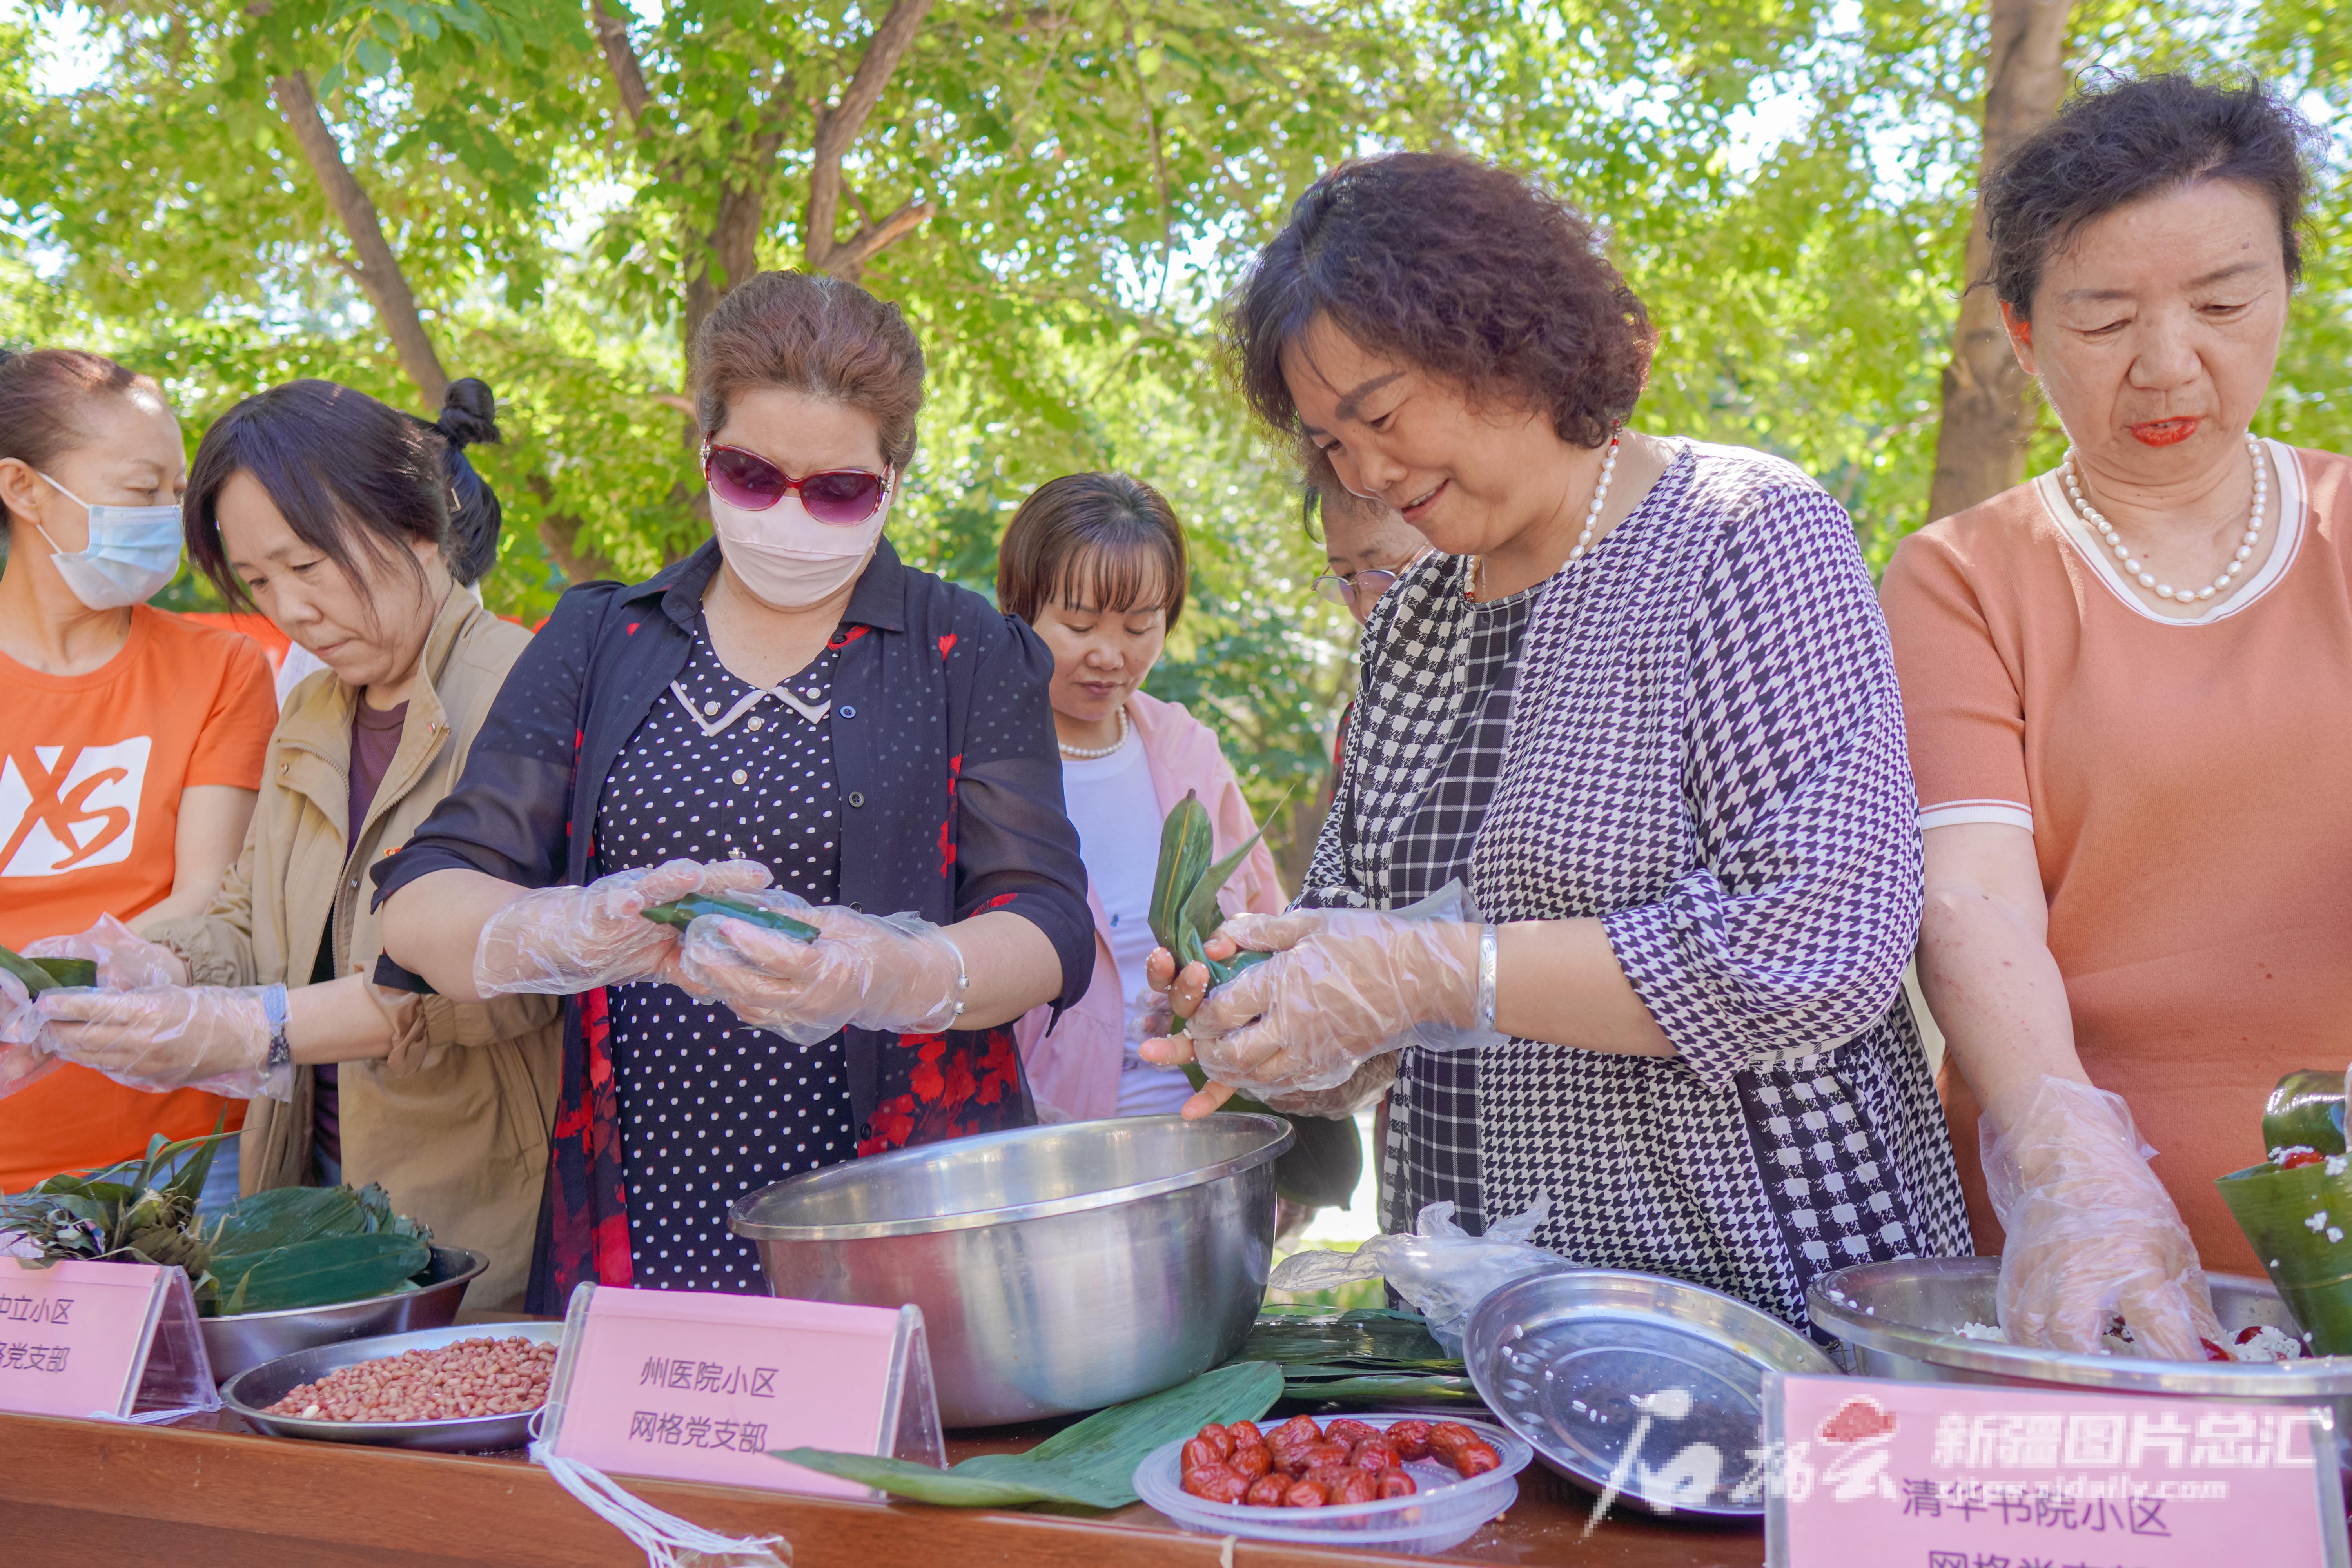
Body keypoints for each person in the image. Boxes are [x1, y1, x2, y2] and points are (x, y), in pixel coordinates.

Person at [1143, 152, 1969, 1334]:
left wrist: (1442, 969)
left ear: (1506, 339)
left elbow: (1821, 944)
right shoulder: (1411, 628)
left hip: (1763, 1302)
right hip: (1485, 1319)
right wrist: (1271, 1020)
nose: (1367, 471)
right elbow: (1363, 973)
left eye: (1379, 413)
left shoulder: (1742, 533)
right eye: (1330, 444)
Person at [372, 271, 1092, 1308]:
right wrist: (557, 931)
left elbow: (1049, 920)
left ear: (895, 476)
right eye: (753, 475)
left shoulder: (966, 648)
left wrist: (894, 973)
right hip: (642, 1206)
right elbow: (431, 888)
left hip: (907, 1224)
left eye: (838, 489)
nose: (790, 516)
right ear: (702, 449)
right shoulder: (598, 637)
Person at [1880, 76, 2344, 1361]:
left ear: (2287, 297)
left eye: (2222, 303)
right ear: (2026, 333)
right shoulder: (1961, 576)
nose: (2168, 363)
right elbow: (1971, 899)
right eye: (2105, 317)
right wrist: (2078, 1177)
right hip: (2069, 1278)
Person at [32, 378, 561, 1310]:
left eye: (309, 565)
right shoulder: (312, 707)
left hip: (475, 1206)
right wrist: (132, 964)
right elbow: (251, 911)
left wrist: (255, 1026)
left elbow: (502, 980)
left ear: (422, 528)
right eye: (262, 581)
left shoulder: (524, 690)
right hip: (307, 1192)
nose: (292, 610)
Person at [0, 348, 276, 1195]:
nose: (170, 515)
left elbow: (207, 894)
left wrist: (44, 997)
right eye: (140, 488)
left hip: (181, 1160)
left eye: (176, 491)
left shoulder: (221, 667)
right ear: (24, 489)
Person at [996, 472, 1284, 1122]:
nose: (1110, 655)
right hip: (1042, 1138)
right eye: (1078, 623)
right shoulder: (979, 761)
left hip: (1206, 1124)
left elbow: (1269, 927)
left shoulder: (1189, 750)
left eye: (1139, 626)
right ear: (1019, 607)